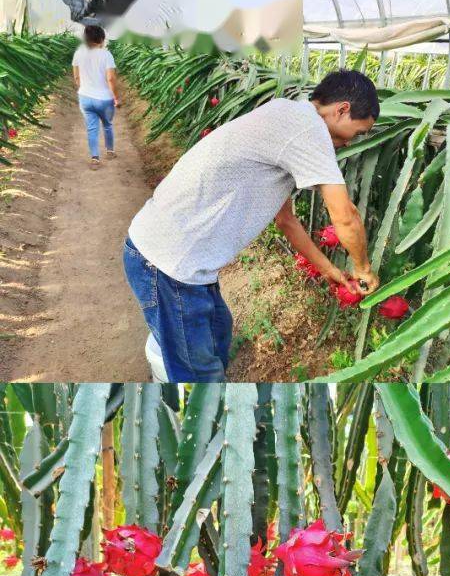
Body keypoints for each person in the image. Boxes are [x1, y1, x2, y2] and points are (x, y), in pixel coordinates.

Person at [123, 70, 381, 382]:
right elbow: (346, 216)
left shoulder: (286, 116)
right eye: (355, 132)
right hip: (168, 263)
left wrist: (327, 269)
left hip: (176, 256)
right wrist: (363, 269)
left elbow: (285, 219)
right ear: (341, 109)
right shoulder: (308, 130)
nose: (349, 142)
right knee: (198, 374)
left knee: (218, 337)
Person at [71, 24, 120, 169]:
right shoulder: (106, 55)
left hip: (85, 97)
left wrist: (85, 89)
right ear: (102, 39)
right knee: (107, 125)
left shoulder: (78, 54)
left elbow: (76, 77)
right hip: (104, 99)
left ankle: (95, 158)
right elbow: (110, 78)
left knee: (92, 128)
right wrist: (116, 97)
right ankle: (110, 151)